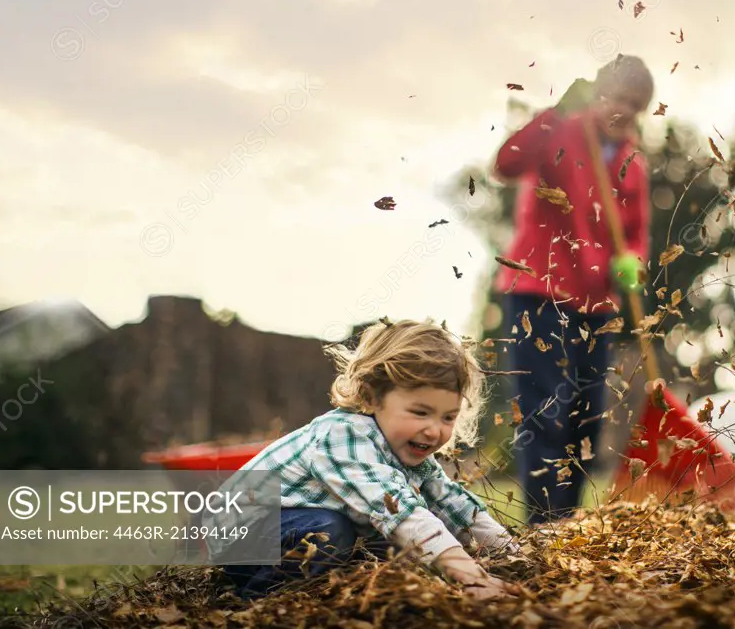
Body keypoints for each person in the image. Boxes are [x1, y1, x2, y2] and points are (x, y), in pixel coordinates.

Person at [208, 320, 519, 599]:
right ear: (371, 398)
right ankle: (259, 601)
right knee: (330, 532)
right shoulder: (343, 436)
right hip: (243, 535)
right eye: (420, 412)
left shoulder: (408, 453)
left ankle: (321, 590)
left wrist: (516, 556)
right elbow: (399, 512)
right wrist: (472, 578)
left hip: (289, 529)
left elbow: (456, 508)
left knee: (393, 548)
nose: (434, 430)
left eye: (448, 417)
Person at [492, 54, 654, 524]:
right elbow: (506, 164)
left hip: (595, 302)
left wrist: (633, 266)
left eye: (633, 103)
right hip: (537, 290)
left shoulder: (632, 164)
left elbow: (637, 234)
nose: (621, 110)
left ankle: (567, 523)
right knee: (544, 411)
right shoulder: (561, 131)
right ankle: (542, 525)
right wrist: (551, 115)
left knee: (586, 417)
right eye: (615, 96)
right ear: (597, 91)